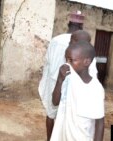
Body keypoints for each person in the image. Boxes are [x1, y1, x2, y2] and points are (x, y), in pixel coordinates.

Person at [38, 10, 97, 141]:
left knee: (51, 114)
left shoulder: (55, 41)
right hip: (67, 86)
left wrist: (48, 82)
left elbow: (47, 64)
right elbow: (93, 74)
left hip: (55, 82)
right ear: (81, 27)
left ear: (69, 23)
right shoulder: (87, 47)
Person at [51, 41, 104, 141]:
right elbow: (54, 102)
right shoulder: (67, 78)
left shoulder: (95, 88)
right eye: (66, 59)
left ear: (86, 62)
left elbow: (100, 123)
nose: (67, 63)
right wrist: (59, 80)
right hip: (63, 135)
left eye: (71, 60)